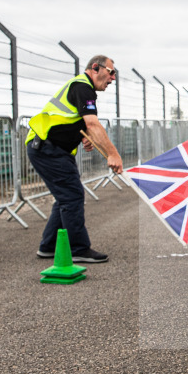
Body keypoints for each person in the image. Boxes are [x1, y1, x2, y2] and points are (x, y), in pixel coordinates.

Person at [25, 55, 123, 263]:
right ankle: (78, 248)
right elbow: (93, 124)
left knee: (66, 196)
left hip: (50, 149)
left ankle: (48, 246)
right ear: (96, 68)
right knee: (72, 195)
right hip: (47, 148)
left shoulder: (82, 88)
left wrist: (82, 137)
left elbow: (75, 122)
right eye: (111, 72)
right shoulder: (82, 86)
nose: (113, 78)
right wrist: (113, 153)